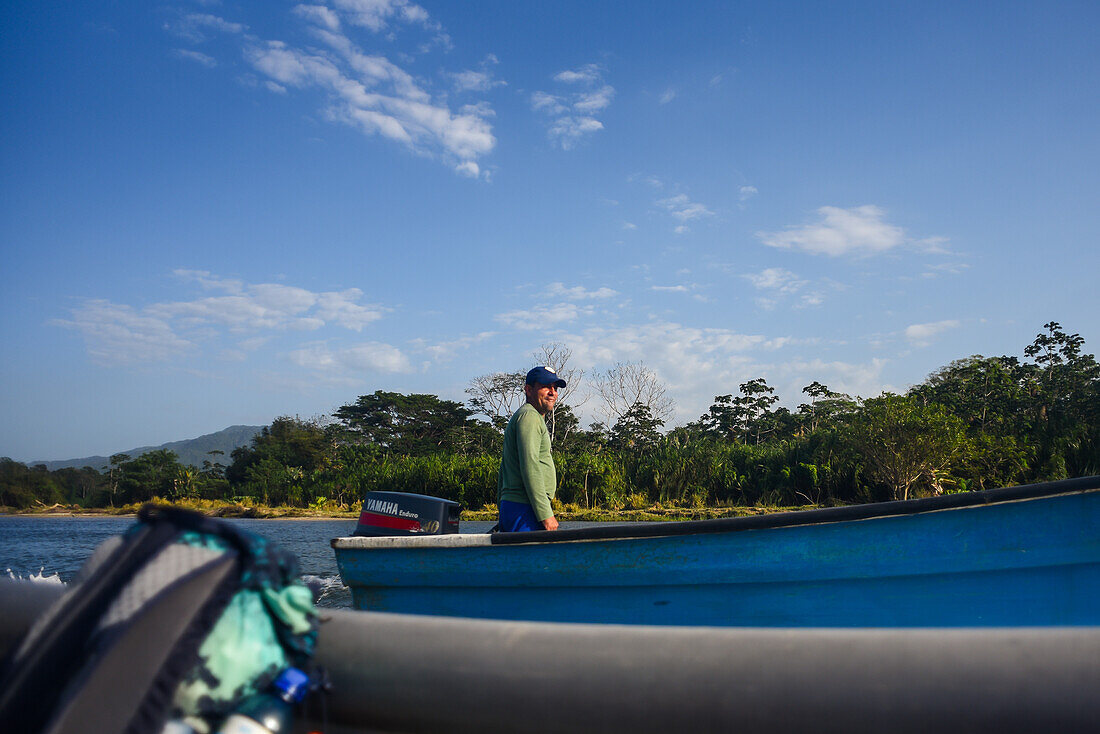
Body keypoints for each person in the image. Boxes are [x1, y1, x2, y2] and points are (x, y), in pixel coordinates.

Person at [497, 366, 565, 532]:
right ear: (528, 390)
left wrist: (503, 510)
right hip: (524, 508)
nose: (552, 392)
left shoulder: (530, 417)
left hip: (520, 508)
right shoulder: (529, 417)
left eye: (555, 388)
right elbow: (530, 466)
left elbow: (503, 468)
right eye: (546, 386)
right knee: (530, 558)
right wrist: (545, 514)